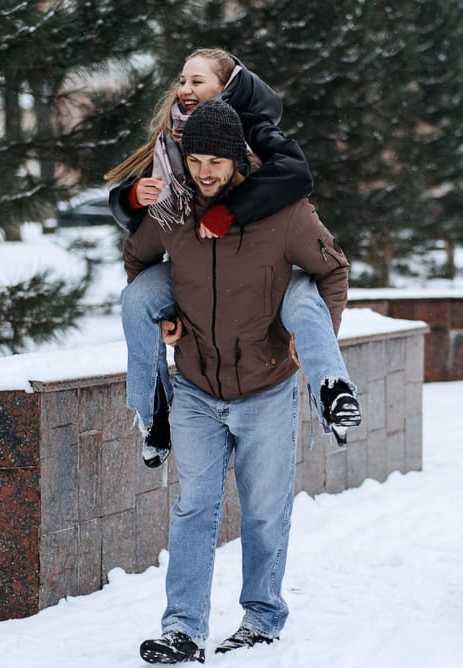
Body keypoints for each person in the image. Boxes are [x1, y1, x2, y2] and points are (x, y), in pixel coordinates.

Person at [126, 99, 350, 664]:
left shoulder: (284, 212)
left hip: (267, 388)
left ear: (238, 162)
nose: (205, 171)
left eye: (216, 162)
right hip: (198, 389)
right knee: (193, 509)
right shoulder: (173, 213)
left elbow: (332, 269)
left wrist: (309, 337)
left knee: (264, 511)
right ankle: (182, 628)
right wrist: (164, 314)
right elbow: (136, 259)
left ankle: (262, 617)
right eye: (196, 159)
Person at [106, 49, 359, 467]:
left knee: (302, 298)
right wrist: (135, 197)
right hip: (195, 272)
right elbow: (135, 222)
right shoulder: (173, 136)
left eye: (198, 82)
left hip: (261, 264)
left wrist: (230, 210)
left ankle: (331, 385)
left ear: (227, 89)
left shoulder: (251, 127)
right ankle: (154, 411)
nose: (185, 89)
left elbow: (295, 174)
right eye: (183, 80)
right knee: (137, 298)